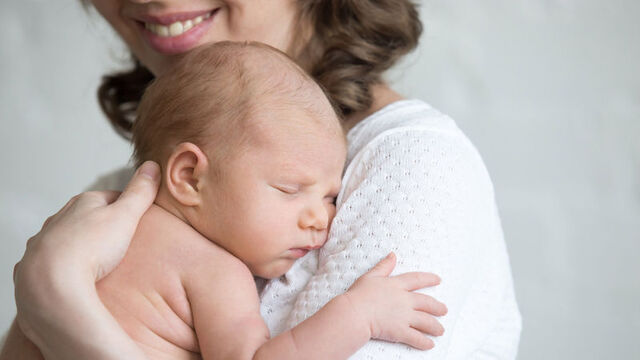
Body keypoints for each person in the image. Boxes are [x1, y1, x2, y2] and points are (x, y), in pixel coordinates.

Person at [2, 0, 522, 359]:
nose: (322, 217)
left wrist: (56, 295)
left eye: (331, 194)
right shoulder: (193, 247)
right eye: (290, 189)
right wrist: (357, 316)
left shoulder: (411, 164)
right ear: (190, 175)